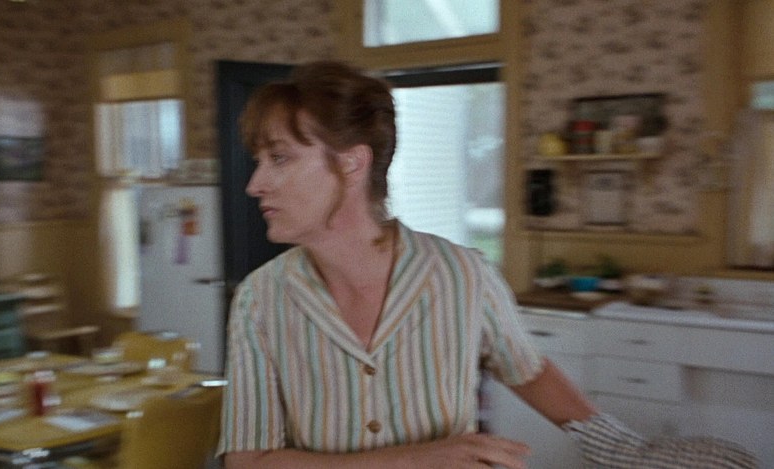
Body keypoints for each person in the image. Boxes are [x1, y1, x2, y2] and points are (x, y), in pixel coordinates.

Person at [216, 61, 757, 469]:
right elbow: (248, 459)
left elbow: (528, 369)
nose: (255, 183)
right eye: (260, 161)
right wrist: (413, 460)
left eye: (279, 158)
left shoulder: (461, 274)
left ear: (352, 162)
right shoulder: (260, 300)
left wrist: (627, 449)